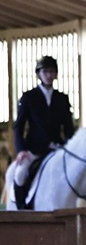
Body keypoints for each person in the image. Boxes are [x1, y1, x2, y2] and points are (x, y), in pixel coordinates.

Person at [11, 56, 76, 188]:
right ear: (39, 74)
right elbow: (19, 126)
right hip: (33, 149)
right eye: (45, 71)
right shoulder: (28, 97)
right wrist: (21, 150)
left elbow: (69, 127)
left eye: (52, 71)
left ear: (56, 74)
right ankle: (22, 206)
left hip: (57, 148)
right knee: (19, 175)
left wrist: (70, 147)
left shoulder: (62, 98)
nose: (48, 75)